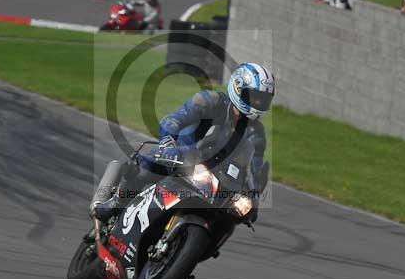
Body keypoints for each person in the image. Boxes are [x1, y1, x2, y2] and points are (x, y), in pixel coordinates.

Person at [92, 62, 275, 223]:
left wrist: (253, 195)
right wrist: (168, 143)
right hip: (180, 156)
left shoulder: (256, 135)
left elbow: (253, 171)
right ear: (238, 88)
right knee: (146, 162)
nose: (258, 102)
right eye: (254, 96)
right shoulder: (210, 102)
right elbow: (173, 120)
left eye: (263, 99)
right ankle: (117, 202)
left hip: (217, 181)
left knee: (230, 218)